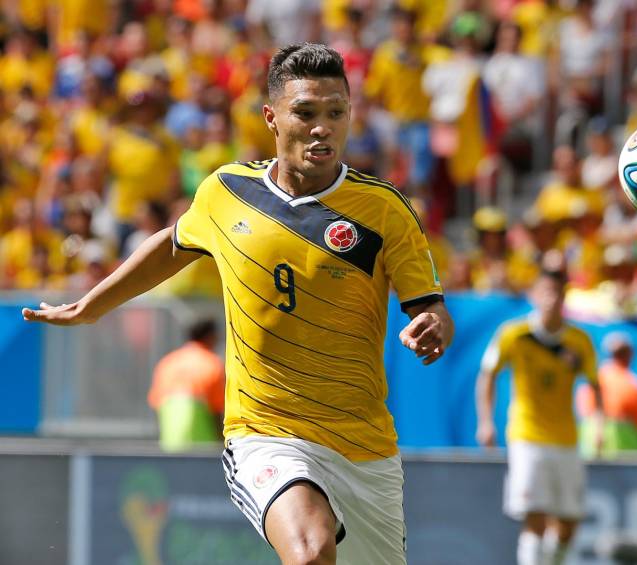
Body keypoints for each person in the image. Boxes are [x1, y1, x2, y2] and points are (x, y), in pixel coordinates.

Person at [23, 43, 454, 565]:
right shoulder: (228, 192)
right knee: (311, 551)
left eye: (336, 113)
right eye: (306, 113)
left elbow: (430, 308)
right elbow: (173, 244)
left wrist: (430, 326)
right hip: (265, 433)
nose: (323, 127)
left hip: (364, 449)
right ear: (272, 118)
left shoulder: (385, 210)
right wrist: (91, 305)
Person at [475, 261, 601, 565]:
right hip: (527, 435)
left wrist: (597, 424)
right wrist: (486, 421)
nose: (552, 299)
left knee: (568, 522)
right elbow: (487, 374)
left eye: (557, 293)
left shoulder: (579, 342)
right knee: (536, 517)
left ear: (565, 297)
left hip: (566, 438)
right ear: (534, 295)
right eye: (546, 292)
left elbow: (595, 386)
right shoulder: (513, 335)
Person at [147, 318, 226, 452]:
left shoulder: (167, 362)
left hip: (169, 444)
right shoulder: (212, 363)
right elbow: (217, 410)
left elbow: (156, 403)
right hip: (204, 448)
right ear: (210, 336)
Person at [577, 332, 637, 458]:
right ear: (630, 355)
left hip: (591, 450)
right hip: (626, 453)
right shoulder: (634, 385)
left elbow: (583, 412)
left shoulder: (592, 381)